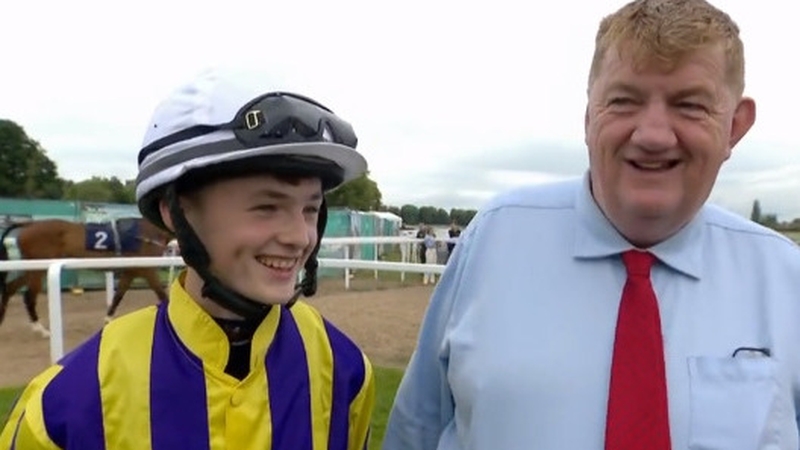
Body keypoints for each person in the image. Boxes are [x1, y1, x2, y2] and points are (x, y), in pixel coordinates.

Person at [382, 1, 800, 449]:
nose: (653, 134)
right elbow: (416, 431)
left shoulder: (785, 280)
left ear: (735, 125)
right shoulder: (494, 240)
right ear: (588, 117)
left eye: (690, 105)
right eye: (624, 101)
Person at [0, 68, 376, 449]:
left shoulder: (347, 373)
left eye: (310, 210)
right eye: (267, 207)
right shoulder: (60, 407)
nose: (300, 237)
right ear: (174, 211)